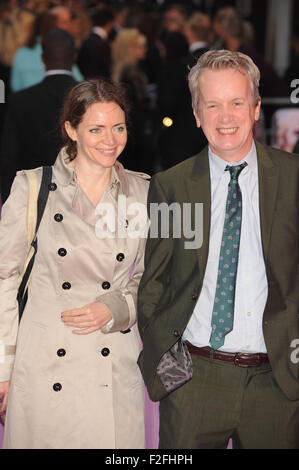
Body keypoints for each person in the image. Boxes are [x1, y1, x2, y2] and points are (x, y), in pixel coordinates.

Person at [137, 50, 299, 449]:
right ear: (196, 113)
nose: (225, 117)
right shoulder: (172, 188)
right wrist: (170, 372)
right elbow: (154, 285)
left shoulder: (294, 178)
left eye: (236, 102)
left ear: (257, 107)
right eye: (212, 105)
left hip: (277, 384)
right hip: (195, 381)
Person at [0, 78, 149, 449]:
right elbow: (5, 277)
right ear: (71, 130)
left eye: (118, 128)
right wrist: (3, 368)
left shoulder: (144, 192)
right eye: (96, 129)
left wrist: (116, 307)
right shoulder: (32, 187)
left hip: (112, 358)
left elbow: (155, 278)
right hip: (44, 362)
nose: (110, 140)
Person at [0, 28, 78, 203]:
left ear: (43, 58)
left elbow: (9, 158)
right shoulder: (89, 99)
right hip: (80, 198)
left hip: (34, 197)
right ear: (74, 57)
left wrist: (10, 204)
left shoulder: (21, 101)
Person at [10, 7, 83, 92]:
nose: (68, 26)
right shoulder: (58, 49)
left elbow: (15, 85)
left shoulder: (21, 52)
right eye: (64, 22)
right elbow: (79, 81)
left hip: (28, 101)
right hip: (56, 100)